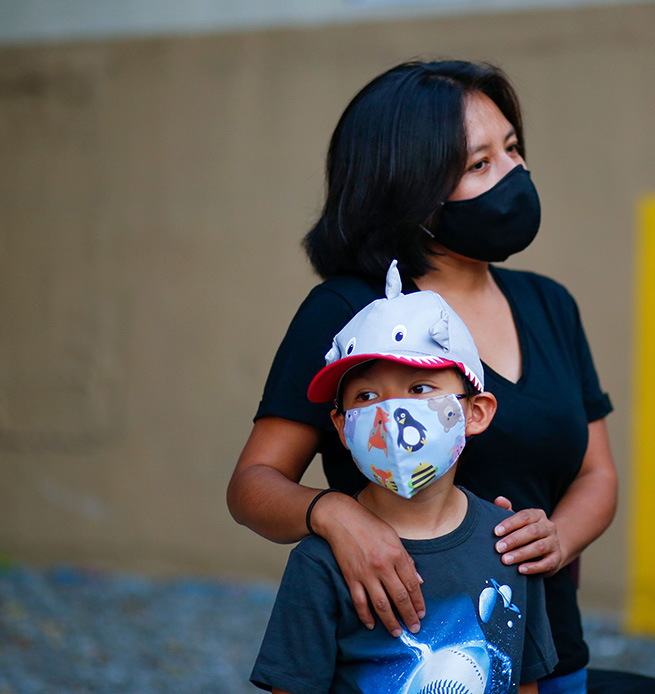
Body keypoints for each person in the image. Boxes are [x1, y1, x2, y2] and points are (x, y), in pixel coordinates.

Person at [228, 59, 618, 694]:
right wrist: (332, 515)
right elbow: (252, 485)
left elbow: (598, 474)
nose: (513, 176)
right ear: (409, 188)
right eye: (479, 164)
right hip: (391, 662)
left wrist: (557, 537)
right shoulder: (350, 313)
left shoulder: (551, 305)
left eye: (512, 149)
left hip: (544, 655)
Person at [250, 261, 557, 693]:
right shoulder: (320, 561)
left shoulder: (509, 545)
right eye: (367, 395)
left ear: (476, 412)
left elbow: (523, 682)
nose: (391, 416)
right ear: (341, 426)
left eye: (419, 388)